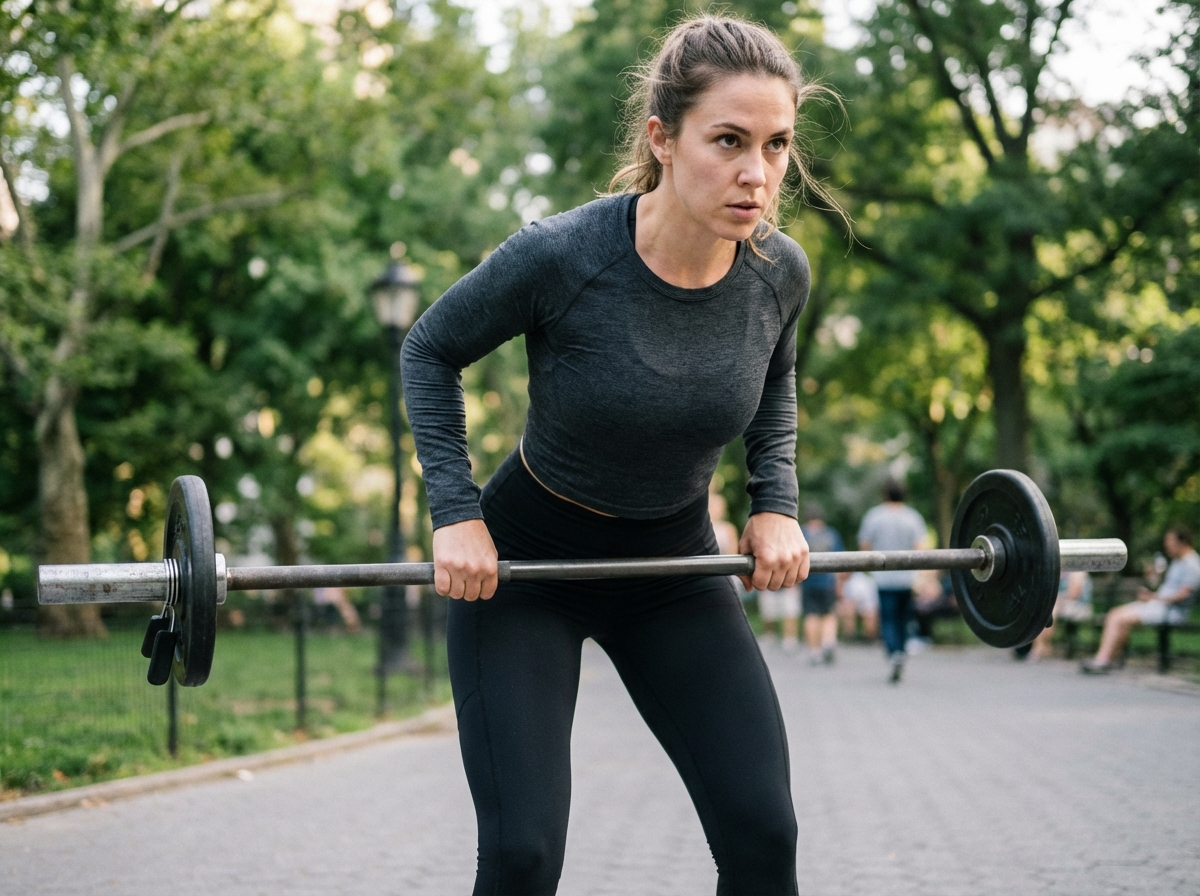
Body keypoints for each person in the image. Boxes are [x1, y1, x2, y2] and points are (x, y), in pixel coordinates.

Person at [401, 15, 839, 893]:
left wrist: (775, 500)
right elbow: (428, 350)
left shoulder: (778, 273)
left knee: (763, 833)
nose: (757, 173)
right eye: (728, 141)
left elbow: (775, 386)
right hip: (524, 571)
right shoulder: (561, 256)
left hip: (672, 567)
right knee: (523, 854)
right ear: (663, 140)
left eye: (777, 145)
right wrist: (456, 514)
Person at [1081, 527, 1199, 674]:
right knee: (1115, 614)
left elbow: (1183, 595)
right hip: (1159, 606)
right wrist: (1152, 595)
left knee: (1118, 618)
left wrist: (1154, 597)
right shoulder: (1177, 562)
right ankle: (1107, 659)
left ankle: (1102, 660)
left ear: (1182, 542)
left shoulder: (1192, 564)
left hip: (1171, 612)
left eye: (1169, 541)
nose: (1166, 545)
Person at [857, 479, 928, 683]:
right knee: (904, 619)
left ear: (884, 494)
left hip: (883, 577)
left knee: (887, 618)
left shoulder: (874, 516)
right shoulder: (913, 517)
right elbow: (919, 548)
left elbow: (864, 545)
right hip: (907, 577)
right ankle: (901, 652)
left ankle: (894, 653)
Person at [799, 503, 843, 664]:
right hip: (828, 582)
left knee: (811, 615)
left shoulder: (801, 534)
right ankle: (828, 642)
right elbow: (840, 561)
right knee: (829, 614)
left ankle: (814, 651)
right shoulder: (831, 534)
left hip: (808, 581)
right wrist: (839, 584)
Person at [838, 570, 879, 641]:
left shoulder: (859, 582)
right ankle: (850, 635)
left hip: (866, 604)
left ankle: (853, 635)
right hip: (862, 604)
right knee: (848, 607)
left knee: (850, 608)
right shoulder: (851, 582)